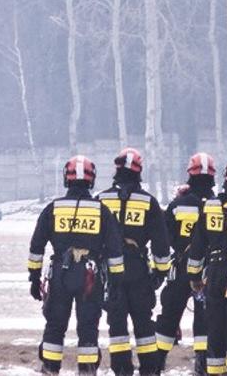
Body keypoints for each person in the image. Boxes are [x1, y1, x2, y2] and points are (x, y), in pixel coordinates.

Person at [30, 155, 128, 373]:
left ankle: (50, 367)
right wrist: (116, 282)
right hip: (89, 278)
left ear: (67, 179)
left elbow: (36, 247)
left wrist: (34, 278)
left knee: (55, 326)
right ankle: (87, 370)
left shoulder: (53, 209)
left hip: (59, 276)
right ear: (91, 180)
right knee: (88, 327)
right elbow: (114, 252)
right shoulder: (101, 211)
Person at [100, 148, 174, 376]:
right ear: (139, 172)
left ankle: (121, 369)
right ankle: (150, 369)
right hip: (138, 269)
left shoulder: (101, 199)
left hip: (111, 270)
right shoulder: (149, 203)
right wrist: (160, 272)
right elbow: (161, 244)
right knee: (143, 323)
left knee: (117, 324)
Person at [186, 158, 227, 376]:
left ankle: (214, 371)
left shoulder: (210, 205)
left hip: (213, 274)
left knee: (215, 327)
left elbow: (197, 246)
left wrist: (194, 276)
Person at [154, 153, 218, 372]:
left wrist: (180, 247)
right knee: (204, 316)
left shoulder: (178, 204)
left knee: (170, 314)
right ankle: (202, 362)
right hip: (208, 269)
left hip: (181, 266)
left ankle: (158, 360)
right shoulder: (216, 205)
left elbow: (164, 234)